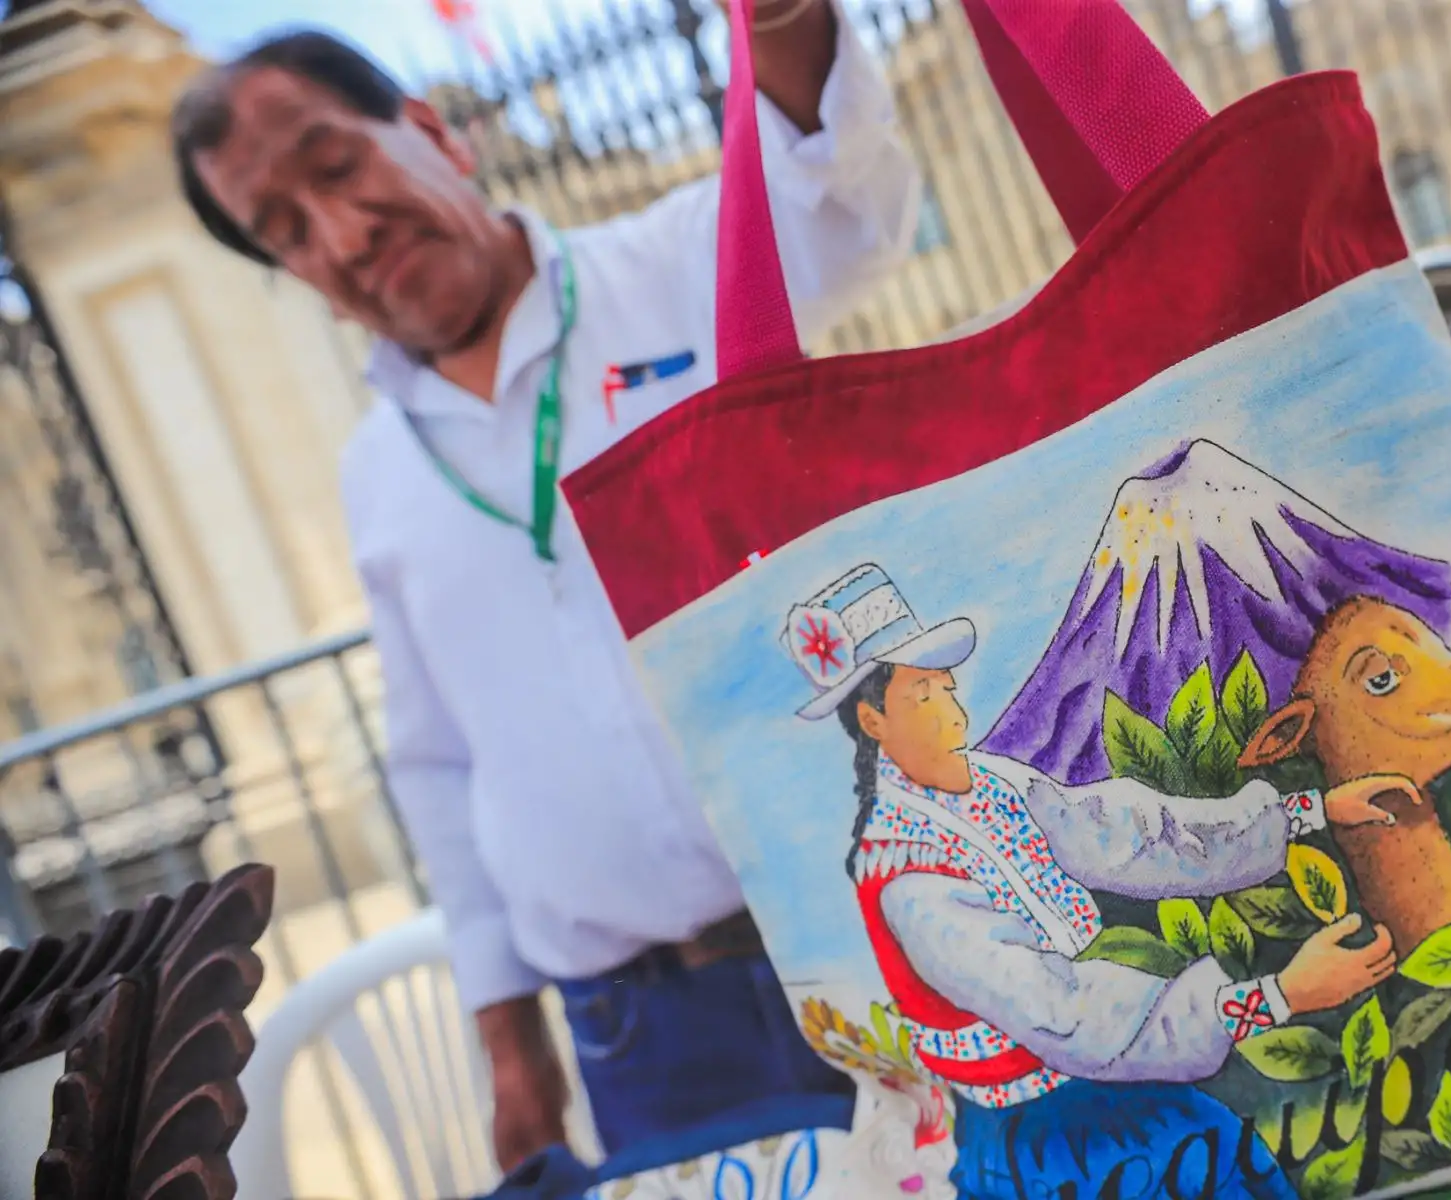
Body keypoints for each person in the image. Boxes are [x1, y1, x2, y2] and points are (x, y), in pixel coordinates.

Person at [171, 0, 919, 1171]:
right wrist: (511, 1056)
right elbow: (439, 771)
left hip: (875, 939)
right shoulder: (378, 476)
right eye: (287, 230)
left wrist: (779, 22)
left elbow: (844, 200)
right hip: (643, 1031)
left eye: (338, 165)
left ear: (433, 129)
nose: (344, 234)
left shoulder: (676, 268)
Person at [785, 564, 1410, 1199]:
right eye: (923, 694)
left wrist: (1311, 813)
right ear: (872, 722)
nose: (952, 708)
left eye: (945, 686)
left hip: (1109, 1088)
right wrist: (1277, 996)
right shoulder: (909, 877)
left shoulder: (994, 785)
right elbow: (1060, 1012)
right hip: (1051, 1138)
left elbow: (1134, 837)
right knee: (1203, 1156)